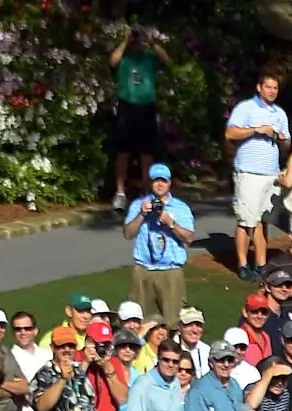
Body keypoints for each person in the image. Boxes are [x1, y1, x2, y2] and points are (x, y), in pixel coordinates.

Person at [228, 71, 292, 278]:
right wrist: (257, 130)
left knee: (262, 220)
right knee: (246, 219)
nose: (272, 91)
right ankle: (243, 264)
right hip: (248, 172)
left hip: (270, 173)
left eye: (275, 88)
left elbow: (287, 145)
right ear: (259, 87)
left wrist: (283, 139)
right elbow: (230, 133)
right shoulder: (245, 108)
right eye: (268, 87)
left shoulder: (280, 114)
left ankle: (261, 264)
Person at [123, 162, 194, 324]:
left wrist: (171, 223)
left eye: (163, 180)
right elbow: (128, 233)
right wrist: (141, 215)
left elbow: (189, 238)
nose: (160, 184)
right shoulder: (138, 205)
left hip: (170, 271)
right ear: (150, 182)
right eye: (156, 180)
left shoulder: (180, 207)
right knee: (137, 321)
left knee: (173, 322)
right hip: (143, 270)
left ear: (170, 183)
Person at [109, 24, 171, 207]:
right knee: (123, 152)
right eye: (134, 39)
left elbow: (166, 59)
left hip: (146, 108)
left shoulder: (149, 58)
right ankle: (120, 192)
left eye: (138, 39)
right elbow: (112, 61)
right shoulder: (124, 58)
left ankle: (146, 191)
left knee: (147, 153)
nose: (136, 42)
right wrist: (124, 41)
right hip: (126, 107)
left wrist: (151, 41)